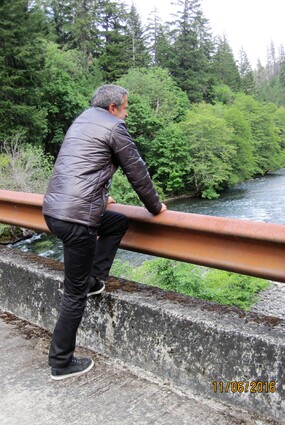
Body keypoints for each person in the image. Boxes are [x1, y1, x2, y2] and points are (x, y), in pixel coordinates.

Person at [42, 84, 167, 380]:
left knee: (116, 222)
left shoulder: (81, 121)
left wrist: (100, 197)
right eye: (125, 108)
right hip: (77, 220)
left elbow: (80, 167)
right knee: (74, 294)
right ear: (112, 109)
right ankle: (61, 362)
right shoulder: (114, 128)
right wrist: (155, 206)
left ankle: (95, 279)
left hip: (54, 211)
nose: (126, 114)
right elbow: (137, 171)